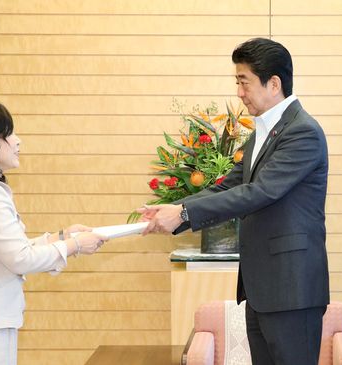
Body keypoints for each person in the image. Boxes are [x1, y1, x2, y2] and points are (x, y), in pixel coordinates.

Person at [137, 38, 329, 365]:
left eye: (244, 82)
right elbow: (227, 186)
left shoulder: (302, 132)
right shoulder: (262, 133)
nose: (239, 93)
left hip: (292, 289)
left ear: (273, 84)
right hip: (262, 290)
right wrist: (174, 215)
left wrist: (183, 211)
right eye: (237, 82)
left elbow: (258, 192)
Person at [0, 99, 109, 365]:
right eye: (9, 134)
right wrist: (76, 245)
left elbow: (11, 249)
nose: (18, 141)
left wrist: (62, 237)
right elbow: (20, 258)